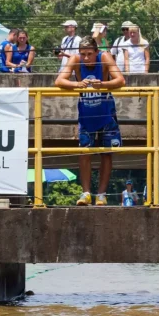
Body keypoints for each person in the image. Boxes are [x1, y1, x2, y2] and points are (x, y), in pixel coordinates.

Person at [55, 38, 126, 206]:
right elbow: (59, 81)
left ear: (96, 52)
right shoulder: (75, 60)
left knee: (106, 153)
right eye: (83, 54)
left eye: (89, 54)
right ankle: (86, 192)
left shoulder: (105, 57)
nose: (86, 58)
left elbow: (120, 80)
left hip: (106, 113)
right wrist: (77, 84)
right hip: (86, 114)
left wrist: (102, 84)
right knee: (84, 152)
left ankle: (101, 194)